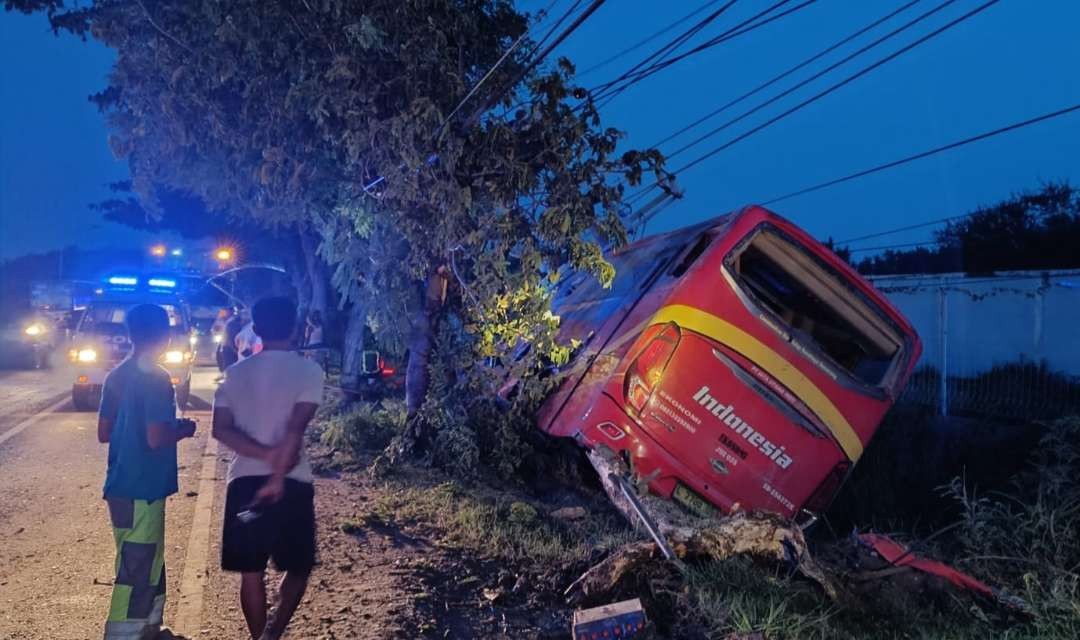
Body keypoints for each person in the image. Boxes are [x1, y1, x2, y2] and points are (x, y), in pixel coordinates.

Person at [212, 296, 324, 640]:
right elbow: (295, 427)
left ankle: (259, 635)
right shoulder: (309, 371)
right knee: (300, 565)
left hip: (244, 481)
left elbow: (221, 429)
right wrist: (277, 469)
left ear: (256, 329)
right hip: (292, 481)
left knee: (251, 571)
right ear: (294, 328)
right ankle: (273, 634)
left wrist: (262, 454)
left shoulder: (233, 374)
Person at [98, 304, 197, 640]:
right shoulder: (155, 378)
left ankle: (150, 629)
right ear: (165, 336)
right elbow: (156, 438)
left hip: (121, 485)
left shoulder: (117, 374)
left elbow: (104, 431)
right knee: (138, 566)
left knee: (149, 560)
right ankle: (124, 635)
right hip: (143, 488)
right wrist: (181, 430)